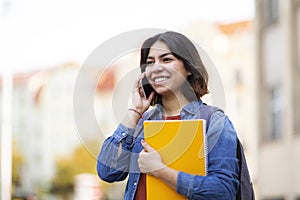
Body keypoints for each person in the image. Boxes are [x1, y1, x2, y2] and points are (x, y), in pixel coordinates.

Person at [97, 31, 239, 199]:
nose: (157, 67)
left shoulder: (214, 122)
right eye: (150, 62)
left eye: (167, 59)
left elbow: (223, 191)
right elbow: (107, 172)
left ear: (189, 68)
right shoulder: (141, 122)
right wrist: (135, 111)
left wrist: (160, 170)